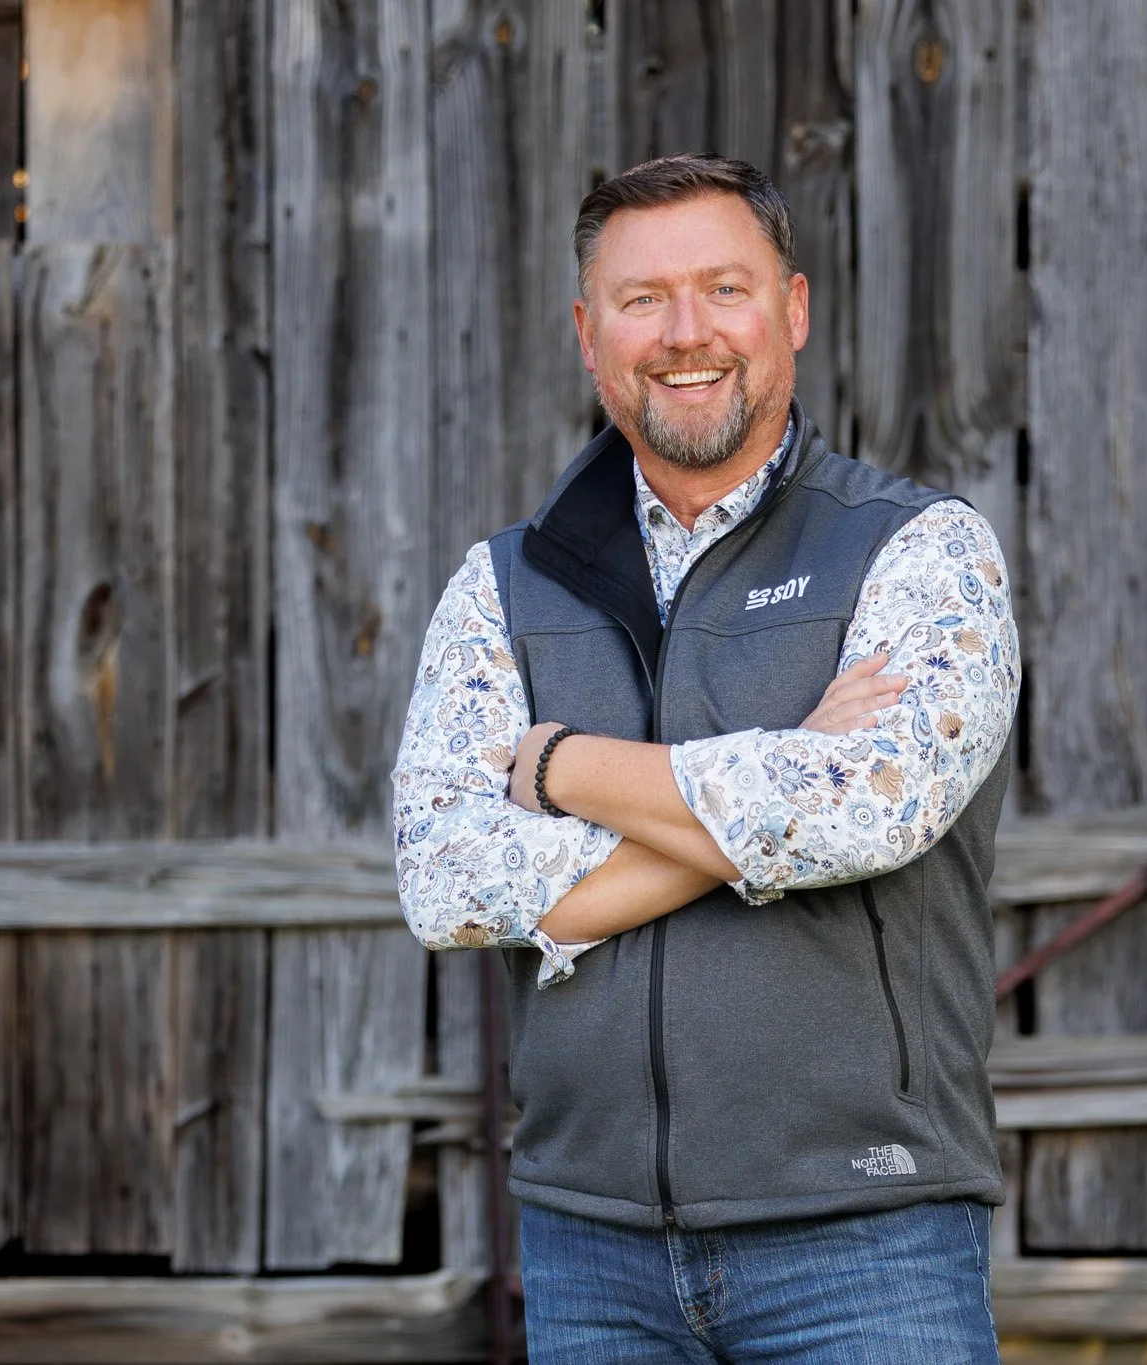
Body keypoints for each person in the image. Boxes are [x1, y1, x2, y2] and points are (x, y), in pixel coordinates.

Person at [392, 153, 1021, 1363]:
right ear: (589, 334)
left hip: (864, 1234)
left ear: (789, 310)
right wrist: (783, 772)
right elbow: (443, 879)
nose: (686, 334)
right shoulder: (502, 586)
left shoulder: (921, 553)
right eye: (641, 300)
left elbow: (868, 814)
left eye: (723, 290)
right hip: (589, 1246)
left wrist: (560, 767)